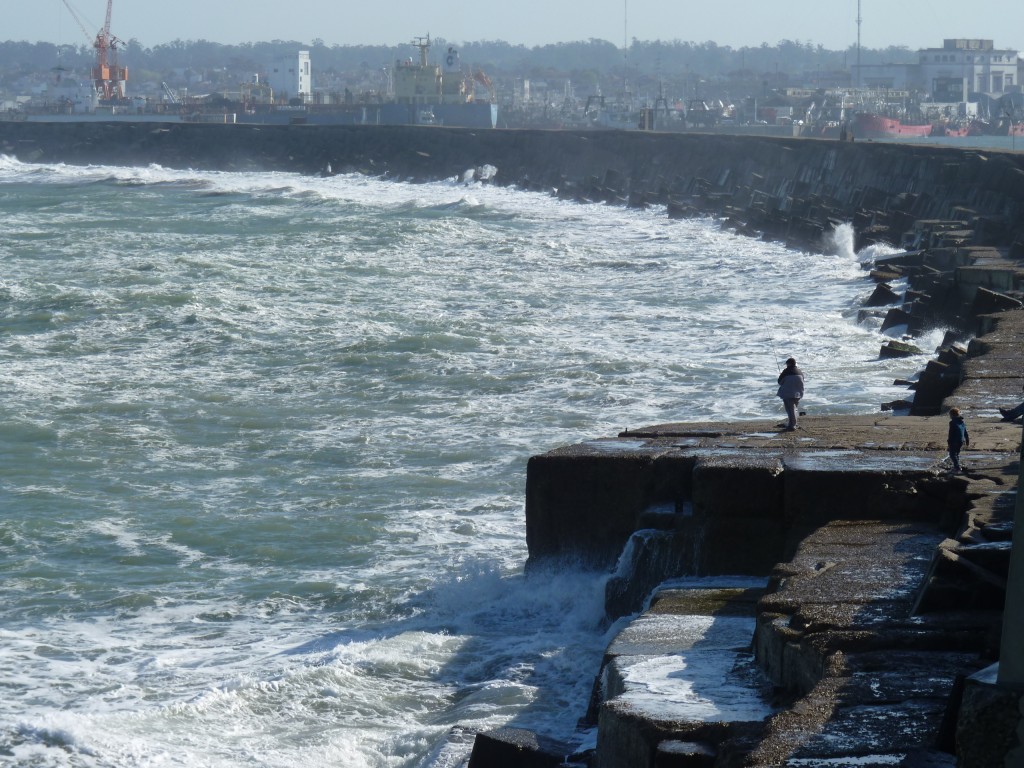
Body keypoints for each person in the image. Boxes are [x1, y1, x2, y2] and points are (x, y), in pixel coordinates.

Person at [776, 357, 805, 431]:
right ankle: (793, 423)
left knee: (790, 409)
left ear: (788, 364)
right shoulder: (800, 371)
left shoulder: (786, 371)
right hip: (798, 393)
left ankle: (792, 425)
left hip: (788, 393)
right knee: (794, 409)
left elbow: (780, 382)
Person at [947, 407, 970, 473]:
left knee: (952, 454)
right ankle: (956, 467)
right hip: (961, 440)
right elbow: (965, 432)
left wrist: (949, 441)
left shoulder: (952, 422)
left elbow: (951, 433)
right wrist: (967, 440)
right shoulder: (962, 421)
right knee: (956, 453)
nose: (950, 416)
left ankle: (957, 468)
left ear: (952, 415)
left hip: (954, 440)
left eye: (950, 415)